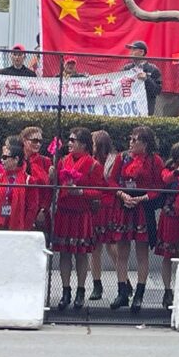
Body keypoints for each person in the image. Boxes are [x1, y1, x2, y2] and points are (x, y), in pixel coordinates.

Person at [112, 126, 164, 312]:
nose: (131, 143)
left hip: (143, 207)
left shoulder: (155, 160)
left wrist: (143, 198)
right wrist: (122, 195)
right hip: (124, 205)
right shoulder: (122, 157)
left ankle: (140, 294)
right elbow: (111, 180)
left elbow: (159, 186)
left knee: (142, 253)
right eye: (131, 139)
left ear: (146, 143)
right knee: (122, 251)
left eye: (136, 140)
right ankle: (122, 292)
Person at [52, 128, 103, 310]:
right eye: (69, 140)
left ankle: (81, 291)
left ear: (84, 144)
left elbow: (100, 191)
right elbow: (56, 184)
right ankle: (66, 291)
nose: (70, 144)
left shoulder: (93, 165)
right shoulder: (62, 161)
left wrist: (81, 191)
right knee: (64, 254)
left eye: (73, 140)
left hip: (82, 213)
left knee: (81, 254)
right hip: (64, 212)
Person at [157, 142, 179, 308]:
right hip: (170, 216)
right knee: (167, 255)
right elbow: (166, 179)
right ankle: (167, 289)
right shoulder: (169, 168)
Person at [90, 130, 122, 302]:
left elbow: (111, 180)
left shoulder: (114, 159)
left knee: (112, 246)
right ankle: (97, 284)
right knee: (94, 248)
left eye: (93, 142)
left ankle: (122, 280)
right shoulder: (91, 159)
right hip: (95, 205)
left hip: (109, 205)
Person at [0, 141, 39, 231]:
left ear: (16, 159)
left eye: (5, 157)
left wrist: (25, 229)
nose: (2, 160)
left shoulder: (28, 180)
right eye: (2, 157)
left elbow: (32, 208)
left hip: (18, 226)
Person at [121, 40, 162, 115]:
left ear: (141, 52)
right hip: (128, 110)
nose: (130, 52)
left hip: (146, 109)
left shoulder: (153, 69)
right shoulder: (126, 68)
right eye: (130, 50)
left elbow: (157, 91)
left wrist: (147, 79)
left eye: (133, 50)